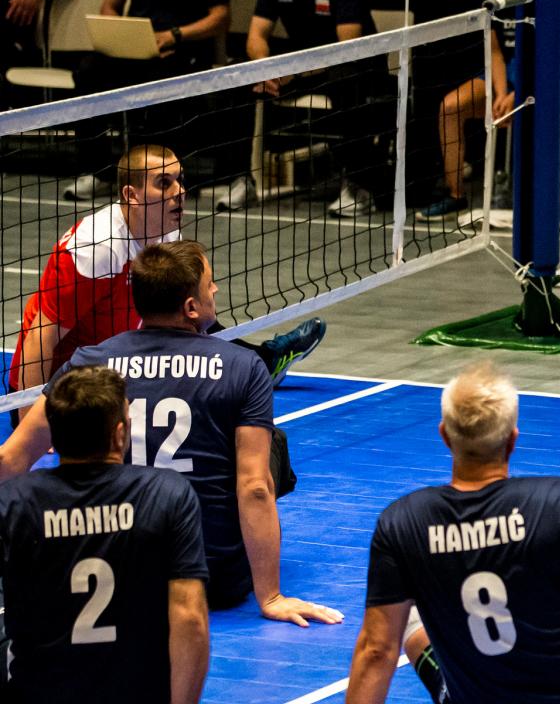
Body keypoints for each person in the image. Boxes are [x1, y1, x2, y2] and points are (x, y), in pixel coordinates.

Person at [0, 240, 346, 626]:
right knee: (269, 446)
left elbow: (10, 460)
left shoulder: (89, 362)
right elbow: (255, 487)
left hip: (114, 564)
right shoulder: (244, 367)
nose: (215, 290)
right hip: (211, 581)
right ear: (191, 307)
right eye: (209, 283)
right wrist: (271, 596)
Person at [344, 361, 560, 704]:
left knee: (410, 607)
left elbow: (376, 652)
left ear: (444, 435)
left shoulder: (403, 523)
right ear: (512, 439)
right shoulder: (559, 501)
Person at [6, 145, 326, 420]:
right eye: (164, 183)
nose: (179, 192)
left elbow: (187, 315)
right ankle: (263, 360)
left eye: (179, 180)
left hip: (122, 364)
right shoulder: (96, 247)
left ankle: (259, 360)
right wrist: (32, 420)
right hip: (69, 383)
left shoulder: (167, 232)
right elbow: (39, 339)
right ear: (131, 195)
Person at [0, 365, 210, 703]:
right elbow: (190, 619)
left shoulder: (14, 501)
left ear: (53, 435)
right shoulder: (168, 493)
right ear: (119, 433)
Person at [219, 0, 383, 218]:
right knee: (239, 81)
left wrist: (293, 73)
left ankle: (358, 186)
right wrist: (266, 69)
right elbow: (256, 35)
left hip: (355, 66)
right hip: (300, 67)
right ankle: (242, 180)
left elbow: (346, 47)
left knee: (348, 82)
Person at [65, 0, 231, 200]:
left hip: (182, 49)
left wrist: (175, 35)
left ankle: (155, 175)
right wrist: (119, 34)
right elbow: (110, 5)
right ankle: (98, 172)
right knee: (88, 73)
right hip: (137, 49)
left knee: (158, 86)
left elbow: (220, 17)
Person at [417, 0, 544, 222]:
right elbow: (495, 52)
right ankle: (455, 195)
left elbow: (548, 54)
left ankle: (554, 200)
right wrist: (501, 94)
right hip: (503, 72)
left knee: (542, 110)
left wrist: (521, 92)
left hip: (543, 74)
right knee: (449, 107)